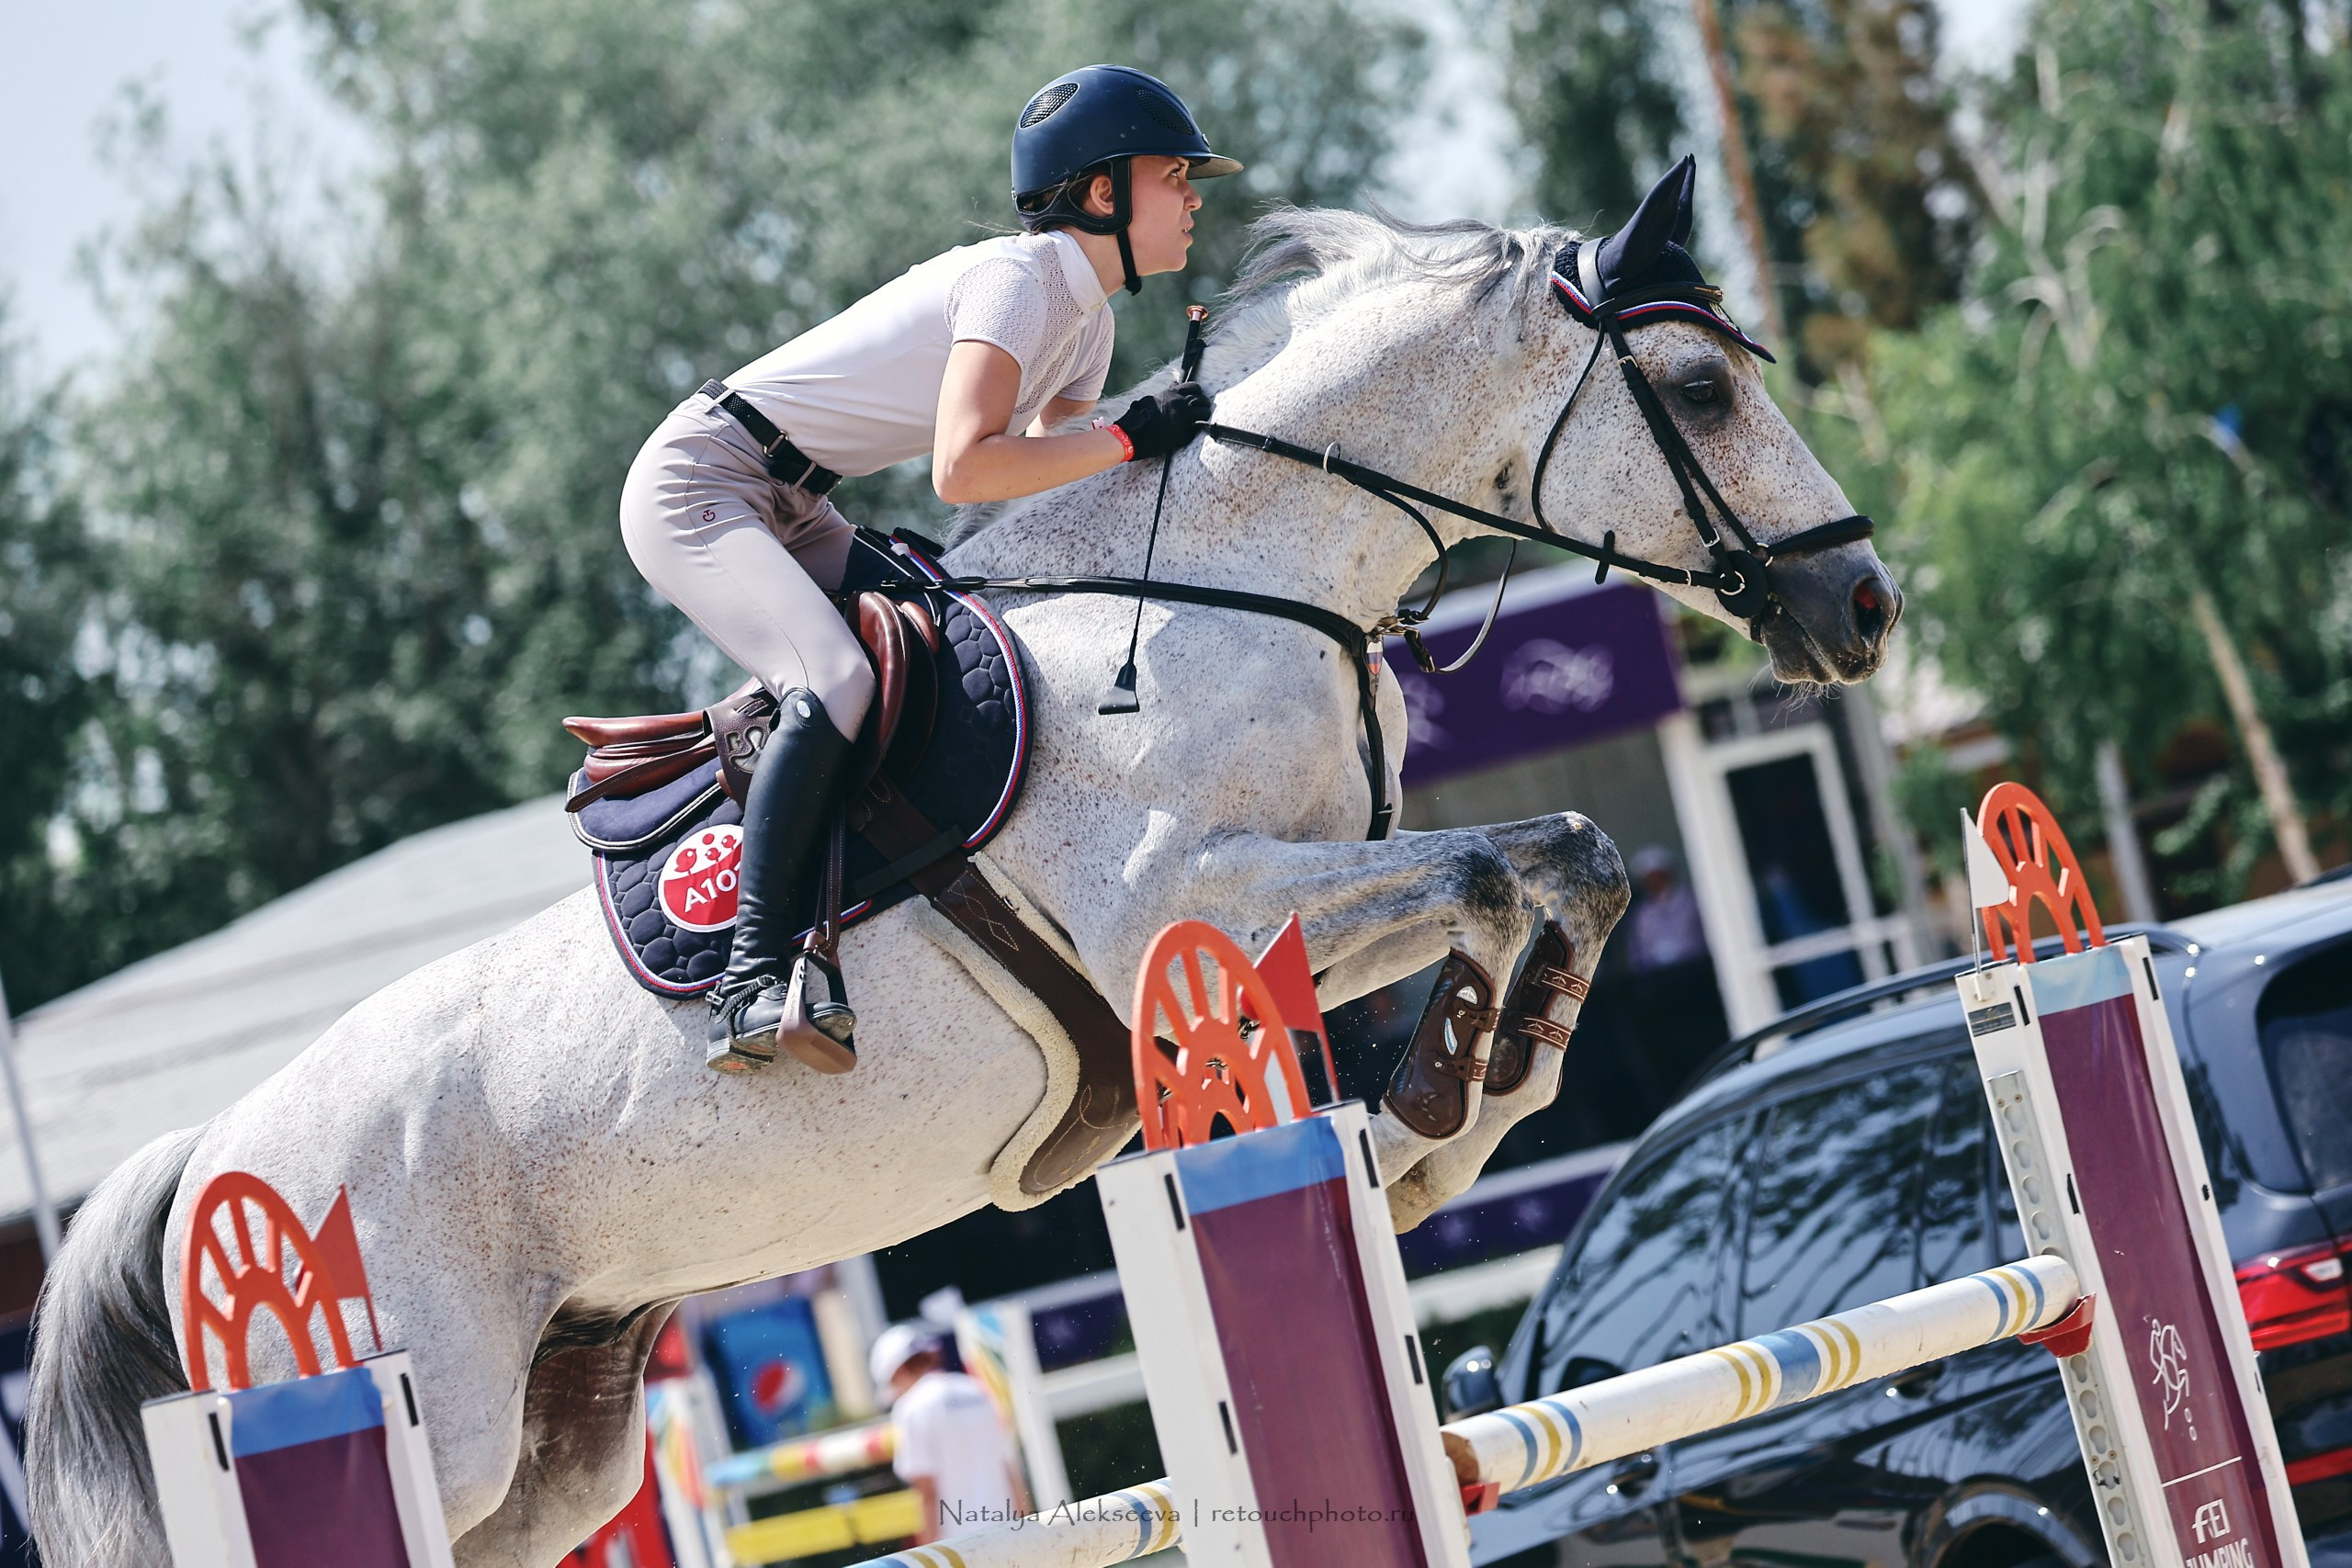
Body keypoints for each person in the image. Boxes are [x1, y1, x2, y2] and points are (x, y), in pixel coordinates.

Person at [617, 66, 1240, 1076]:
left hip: (793, 496)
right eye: (1176, 176)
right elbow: (963, 469)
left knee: (951, 639)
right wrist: (1130, 438)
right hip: (702, 480)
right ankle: (748, 977)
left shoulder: (1088, 321)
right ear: (1101, 194)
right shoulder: (1020, 283)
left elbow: (1050, 482)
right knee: (836, 680)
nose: (1195, 198)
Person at [870, 1324, 1032, 1544]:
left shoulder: (910, 1408)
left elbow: (927, 1493)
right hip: (1007, 1537)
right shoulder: (977, 1391)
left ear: (896, 1371)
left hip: (959, 1547)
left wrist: (927, 1556)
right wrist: (1028, 1531)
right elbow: (1009, 1470)